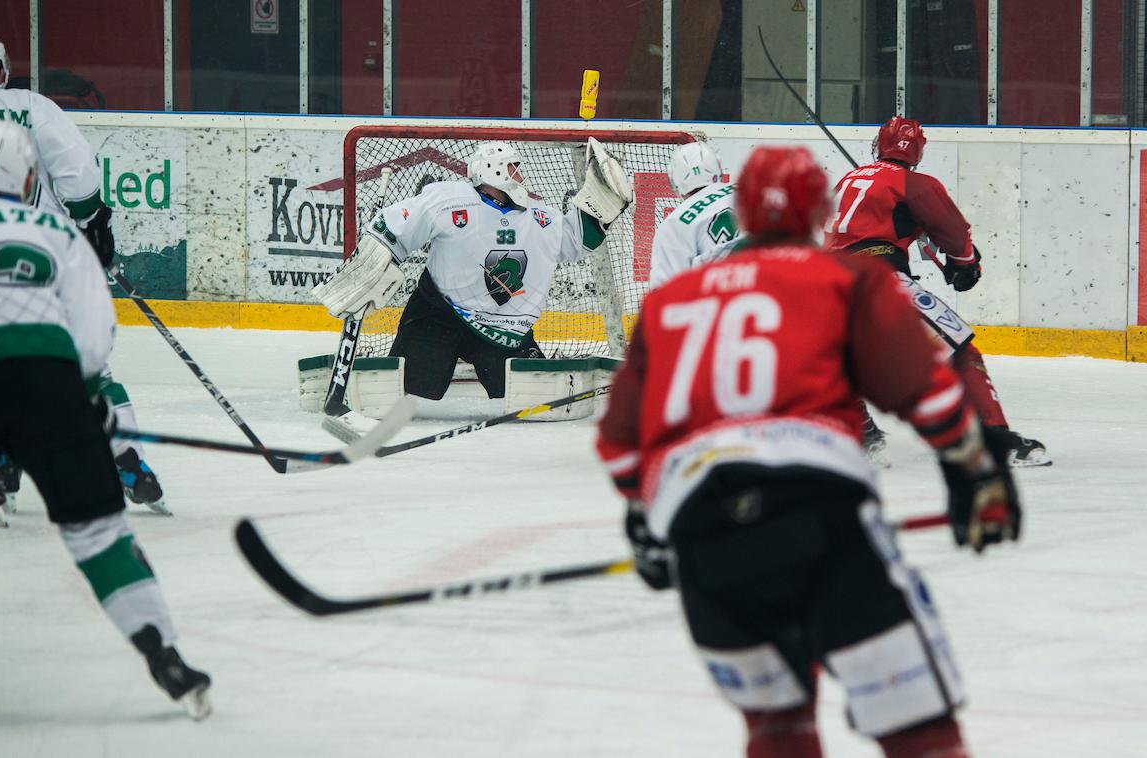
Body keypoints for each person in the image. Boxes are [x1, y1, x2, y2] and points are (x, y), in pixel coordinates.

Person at [596, 145, 1021, 757]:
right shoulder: (839, 281)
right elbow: (926, 392)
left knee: (778, 730)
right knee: (921, 729)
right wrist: (974, 474)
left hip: (705, 531)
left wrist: (644, 518)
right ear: (816, 213)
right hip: (821, 516)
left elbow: (620, 439)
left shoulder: (670, 306)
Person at [0, 121, 210, 717]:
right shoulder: (54, 230)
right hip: (45, 386)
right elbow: (93, 342)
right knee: (98, 532)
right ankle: (165, 657)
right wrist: (85, 399)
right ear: (29, 177)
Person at [0, 26, 167, 510]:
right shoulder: (28, 105)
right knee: (85, 365)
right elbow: (77, 172)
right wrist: (93, 224)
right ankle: (129, 459)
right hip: (45, 257)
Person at [312, 138, 634, 405]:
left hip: (504, 329)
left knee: (536, 404)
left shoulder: (539, 217)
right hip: (440, 316)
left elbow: (578, 239)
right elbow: (395, 225)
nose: (519, 175)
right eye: (512, 167)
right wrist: (375, 258)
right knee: (403, 396)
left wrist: (602, 207)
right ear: (493, 171)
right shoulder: (451, 201)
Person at [824, 116, 1049, 467]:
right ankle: (995, 441)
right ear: (918, 152)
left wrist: (909, 227)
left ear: (877, 145)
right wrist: (964, 266)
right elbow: (956, 236)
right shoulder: (915, 184)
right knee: (960, 352)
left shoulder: (849, 180)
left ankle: (860, 436)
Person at [648, 141, 740, 289]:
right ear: (717, 168)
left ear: (675, 180)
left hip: (725, 299)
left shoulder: (675, 222)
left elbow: (665, 293)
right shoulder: (747, 189)